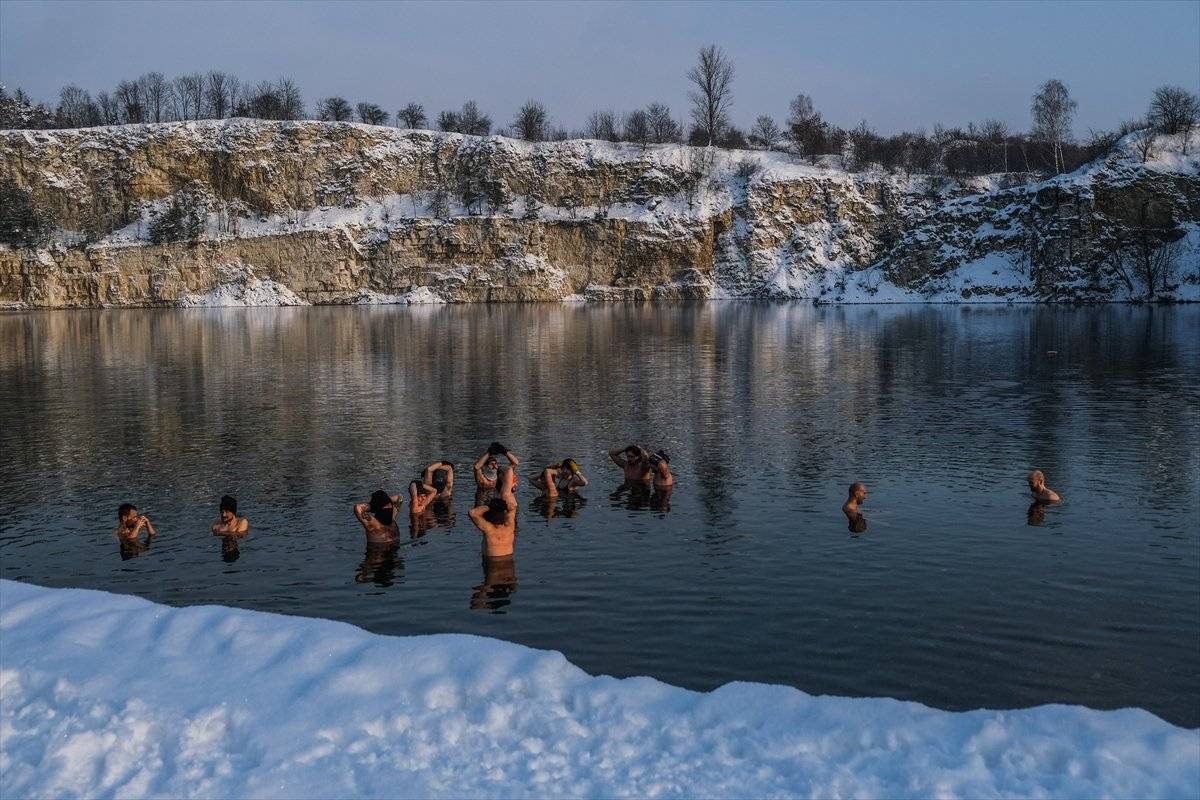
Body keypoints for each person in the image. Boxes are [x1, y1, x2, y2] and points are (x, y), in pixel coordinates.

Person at [468, 466, 518, 558]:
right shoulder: (510, 528)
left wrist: (490, 506)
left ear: (489, 519)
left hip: (491, 566)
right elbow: (512, 506)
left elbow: (473, 513)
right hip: (508, 565)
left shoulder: (489, 529)